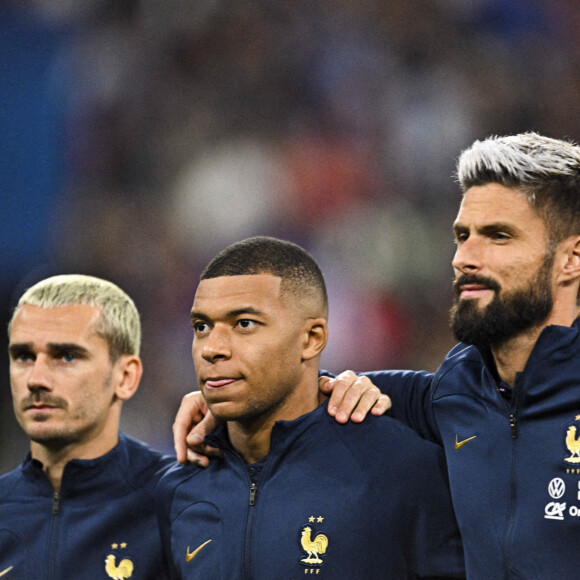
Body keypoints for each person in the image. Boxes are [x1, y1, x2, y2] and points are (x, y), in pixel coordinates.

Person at [174, 132, 580, 579]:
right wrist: (233, 396)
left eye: (498, 236)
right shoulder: (450, 394)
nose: (464, 257)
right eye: (462, 236)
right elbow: (304, 393)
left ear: (570, 258)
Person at [156, 236, 465, 579]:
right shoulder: (176, 490)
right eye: (202, 327)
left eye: (244, 324)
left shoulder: (400, 471)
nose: (211, 348)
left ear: (311, 339)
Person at [0, 274, 174, 580]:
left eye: (66, 356)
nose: (36, 379)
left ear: (125, 377)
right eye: (24, 356)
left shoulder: (178, 503)